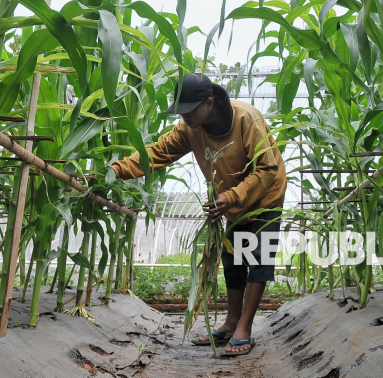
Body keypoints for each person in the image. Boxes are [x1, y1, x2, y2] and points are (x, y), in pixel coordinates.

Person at [108, 73, 287, 356]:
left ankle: (245, 328)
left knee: (259, 258)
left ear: (209, 103)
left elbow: (267, 169)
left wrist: (230, 196)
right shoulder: (189, 127)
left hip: (265, 196)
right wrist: (116, 170)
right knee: (233, 258)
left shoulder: (246, 120)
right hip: (233, 202)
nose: (184, 116)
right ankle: (230, 323)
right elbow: (156, 152)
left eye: (188, 110)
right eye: (180, 111)